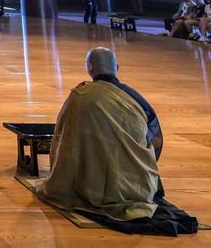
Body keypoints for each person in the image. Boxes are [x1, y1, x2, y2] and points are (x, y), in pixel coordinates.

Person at [33, 47, 197, 236]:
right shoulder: (136, 99)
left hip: (95, 184)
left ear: (89, 68)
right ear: (117, 67)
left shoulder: (81, 96)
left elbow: (63, 139)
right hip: (140, 184)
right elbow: (156, 140)